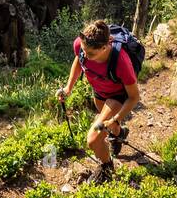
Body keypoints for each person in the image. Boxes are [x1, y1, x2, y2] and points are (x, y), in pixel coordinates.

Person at [58, 19, 141, 181]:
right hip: (99, 92)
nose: (86, 56)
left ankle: (106, 169)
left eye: (91, 54)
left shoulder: (121, 61)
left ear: (104, 47)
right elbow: (78, 60)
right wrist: (68, 88)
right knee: (111, 126)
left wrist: (117, 117)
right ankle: (118, 135)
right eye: (84, 50)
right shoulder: (81, 45)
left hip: (117, 96)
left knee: (93, 138)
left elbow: (134, 97)